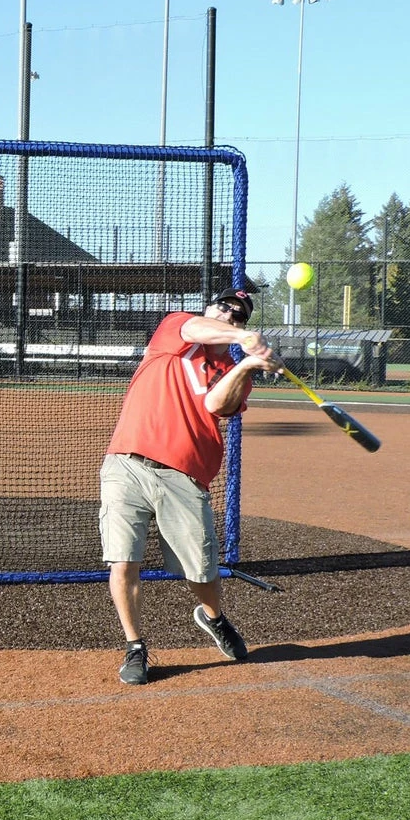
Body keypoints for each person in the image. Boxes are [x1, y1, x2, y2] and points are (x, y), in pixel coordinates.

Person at [99, 288, 282, 685]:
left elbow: (218, 405)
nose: (229, 315)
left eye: (239, 315)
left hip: (184, 476)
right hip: (126, 464)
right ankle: (135, 647)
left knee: (201, 570)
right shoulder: (176, 328)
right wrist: (244, 338)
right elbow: (198, 329)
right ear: (209, 307)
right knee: (122, 560)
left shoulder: (230, 370)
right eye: (224, 307)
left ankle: (213, 618)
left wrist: (248, 364)